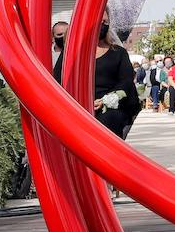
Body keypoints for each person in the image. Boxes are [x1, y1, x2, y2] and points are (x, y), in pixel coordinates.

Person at [52, 10, 142, 140]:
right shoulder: (71, 53)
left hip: (109, 109)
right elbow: (58, 80)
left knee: (107, 121)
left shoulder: (118, 53)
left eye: (105, 22)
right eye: (98, 21)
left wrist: (106, 101)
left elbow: (126, 82)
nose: (102, 25)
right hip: (78, 108)